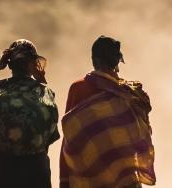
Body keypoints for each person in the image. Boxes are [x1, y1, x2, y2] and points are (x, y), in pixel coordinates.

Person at [59, 36, 156, 188]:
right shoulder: (130, 94)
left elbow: (71, 137)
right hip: (127, 179)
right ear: (117, 61)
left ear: (94, 59)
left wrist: (64, 181)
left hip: (92, 177)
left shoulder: (79, 88)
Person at [0, 39, 60, 188]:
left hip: (0, 171)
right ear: (33, 64)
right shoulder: (45, 94)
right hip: (36, 172)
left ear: (9, 64)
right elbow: (48, 138)